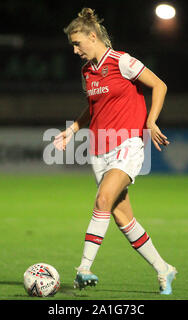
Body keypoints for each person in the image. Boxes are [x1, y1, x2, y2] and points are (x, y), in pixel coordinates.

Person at [54, 8, 177, 295]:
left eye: (77, 43)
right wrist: (73, 130)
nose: (75, 50)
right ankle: (164, 269)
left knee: (102, 199)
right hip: (99, 150)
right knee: (122, 217)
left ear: (92, 37)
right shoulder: (88, 71)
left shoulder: (122, 62)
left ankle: (83, 268)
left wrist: (150, 121)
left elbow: (159, 85)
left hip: (127, 144)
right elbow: (94, 107)